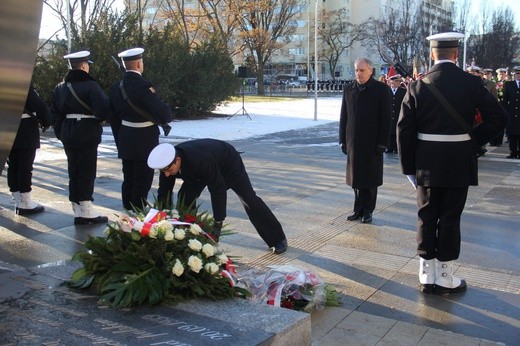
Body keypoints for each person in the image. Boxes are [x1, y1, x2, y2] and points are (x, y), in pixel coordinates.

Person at [397, 32, 507, 295]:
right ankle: (445, 276)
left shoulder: (418, 85)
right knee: (450, 216)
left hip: (427, 162)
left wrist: (409, 168)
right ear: (456, 55)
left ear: (432, 55)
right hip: (458, 160)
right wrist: (472, 141)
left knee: (426, 215)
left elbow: (403, 130)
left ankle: (426, 274)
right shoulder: (471, 83)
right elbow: (498, 117)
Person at [147, 140, 288, 254]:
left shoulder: (199, 159)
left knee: (249, 199)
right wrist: (162, 217)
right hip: (198, 171)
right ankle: (189, 237)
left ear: (178, 160)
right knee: (185, 198)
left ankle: (277, 239)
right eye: (163, 172)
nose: (166, 175)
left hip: (228, 164)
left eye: (170, 171)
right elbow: (164, 191)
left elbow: (218, 189)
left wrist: (218, 222)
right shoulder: (168, 163)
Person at [109, 47, 173, 211]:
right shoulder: (144, 86)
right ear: (138, 63)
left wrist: (119, 139)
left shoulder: (117, 87)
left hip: (125, 135)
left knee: (128, 175)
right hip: (144, 137)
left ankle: (128, 208)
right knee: (143, 176)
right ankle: (138, 209)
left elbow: (114, 117)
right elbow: (162, 112)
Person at [51, 51, 109, 225]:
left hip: (68, 132)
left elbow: (55, 113)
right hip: (86, 131)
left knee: (74, 169)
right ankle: (85, 207)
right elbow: (103, 110)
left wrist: (61, 133)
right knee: (86, 170)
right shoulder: (91, 86)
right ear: (84, 66)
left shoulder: (60, 87)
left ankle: (76, 206)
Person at [339, 57, 392, 224]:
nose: (358, 74)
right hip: (353, 142)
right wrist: (342, 139)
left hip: (372, 143)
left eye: (362, 70)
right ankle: (358, 209)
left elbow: (386, 119)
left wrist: (383, 142)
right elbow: (344, 117)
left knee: (370, 178)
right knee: (356, 178)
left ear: (371, 71)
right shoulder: (349, 89)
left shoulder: (381, 90)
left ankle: (368, 210)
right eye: (356, 70)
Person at [8, 83, 52, 215]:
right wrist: (47, 121)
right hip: (24, 130)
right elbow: (38, 105)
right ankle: (25, 202)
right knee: (25, 166)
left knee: (13, 165)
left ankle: (17, 199)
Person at [503, 66, 520, 159]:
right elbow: (505, 100)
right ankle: (513, 152)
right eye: (517, 74)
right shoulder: (509, 85)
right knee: (512, 135)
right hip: (512, 113)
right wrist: (504, 112)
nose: (518, 75)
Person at [387, 75, 406, 154]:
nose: (398, 83)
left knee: (397, 132)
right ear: (392, 82)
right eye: (396, 81)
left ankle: (396, 148)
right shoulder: (387, 91)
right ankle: (389, 148)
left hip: (399, 114)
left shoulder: (403, 91)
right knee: (389, 131)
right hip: (389, 115)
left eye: (399, 81)